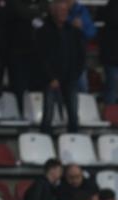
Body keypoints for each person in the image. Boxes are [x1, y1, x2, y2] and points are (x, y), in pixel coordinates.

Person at [36, 0, 85, 135]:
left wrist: (76, 75)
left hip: (71, 79)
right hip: (50, 80)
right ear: (53, 12)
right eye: (60, 11)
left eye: (65, 11)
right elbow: (40, 57)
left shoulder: (74, 32)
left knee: (73, 115)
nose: (63, 14)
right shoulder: (43, 32)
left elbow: (81, 56)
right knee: (48, 115)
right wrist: (50, 77)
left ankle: (74, 144)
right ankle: (44, 145)